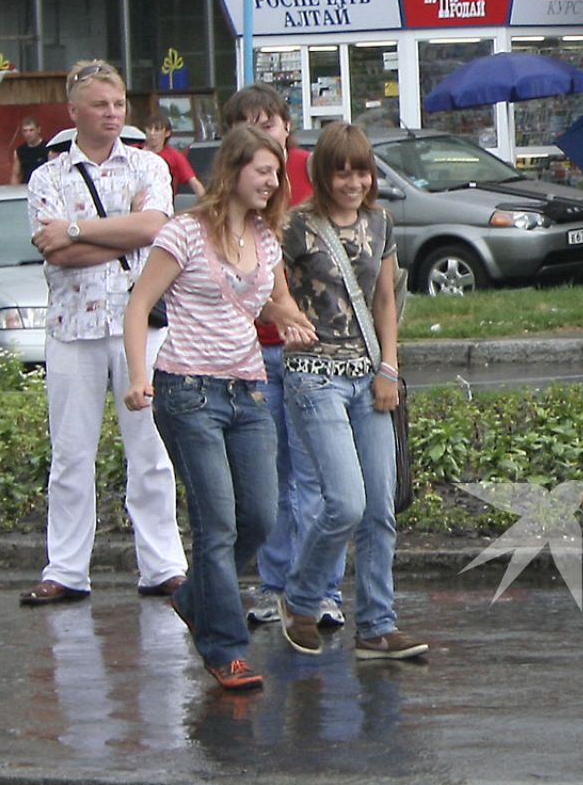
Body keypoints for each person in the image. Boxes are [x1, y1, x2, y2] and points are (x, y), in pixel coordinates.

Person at [120, 125, 314, 692]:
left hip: (248, 390)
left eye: (276, 173)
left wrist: (290, 318)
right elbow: (139, 305)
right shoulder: (183, 233)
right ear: (233, 171)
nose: (273, 181)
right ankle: (225, 647)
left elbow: (271, 298)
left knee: (259, 515)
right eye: (264, 170)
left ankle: (192, 596)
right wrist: (138, 376)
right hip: (186, 391)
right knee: (218, 522)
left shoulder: (266, 237)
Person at [20, 59, 187, 608]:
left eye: (118, 105)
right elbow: (56, 254)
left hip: (140, 326)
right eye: (100, 105)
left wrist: (76, 229)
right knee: (71, 452)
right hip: (73, 327)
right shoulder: (47, 176)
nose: (112, 114)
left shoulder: (148, 167)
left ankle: (162, 564)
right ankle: (66, 569)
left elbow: (154, 229)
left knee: (152, 450)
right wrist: (118, 237)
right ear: (74, 113)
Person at [277, 122, 428, 662]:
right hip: (314, 374)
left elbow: (386, 300)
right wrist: (288, 316)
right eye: (341, 171)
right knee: (344, 501)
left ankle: (377, 626)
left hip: (369, 374)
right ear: (322, 173)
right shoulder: (295, 226)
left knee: (380, 508)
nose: (352, 181)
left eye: (360, 170)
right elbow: (268, 292)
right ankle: (300, 598)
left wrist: (389, 367)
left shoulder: (380, 222)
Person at [221, 84, 334, 631]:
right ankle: (274, 584)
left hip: (312, 347)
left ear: (288, 127)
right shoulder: (233, 198)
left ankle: (318, 589)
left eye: (273, 122)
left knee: (315, 473)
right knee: (272, 476)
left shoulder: (313, 173)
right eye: (252, 124)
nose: (266, 133)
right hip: (255, 349)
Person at [143, 114, 204, 197]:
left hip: (162, 205)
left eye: (157, 129)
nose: (152, 133)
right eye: (149, 129)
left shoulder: (175, 156)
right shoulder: (134, 151)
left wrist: (208, 206)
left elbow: (195, 183)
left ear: (167, 133)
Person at [14, 116, 48, 184]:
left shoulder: (48, 148)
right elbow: (16, 175)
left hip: (44, 187)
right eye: (25, 131)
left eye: (31, 130)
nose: (28, 134)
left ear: (38, 130)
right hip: (26, 188)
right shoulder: (19, 151)